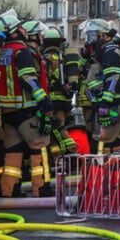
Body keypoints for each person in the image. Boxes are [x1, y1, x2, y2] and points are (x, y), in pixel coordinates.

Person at [0, 13, 53, 198]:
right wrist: (43, 100)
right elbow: (28, 78)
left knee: (13, 151)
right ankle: (41, 188)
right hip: (26, 109)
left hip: (7, 110)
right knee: (40, 146)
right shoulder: (22, 51)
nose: (24, 30)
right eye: (20, 27)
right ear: (13, 32)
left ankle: (9, 189)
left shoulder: (3, 52)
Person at [83, 18, 120, 153]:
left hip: (112, 106)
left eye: (93, 36)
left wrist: (105, 103)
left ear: (104, 35)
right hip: (107, 105)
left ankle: (106, 172)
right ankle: (116, 172)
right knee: (114, 142)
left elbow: (113, 79)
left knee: (105, 142)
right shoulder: (103, 53)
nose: (90, 40)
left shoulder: (111, 52)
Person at [41, 26, 80, 160]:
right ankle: (57, 158)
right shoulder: (64, 57)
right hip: (66, 99)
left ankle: (73, 151)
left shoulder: (47, 58)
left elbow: (44, 78)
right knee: (54, 133)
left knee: (58, 128)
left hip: (53, 100)